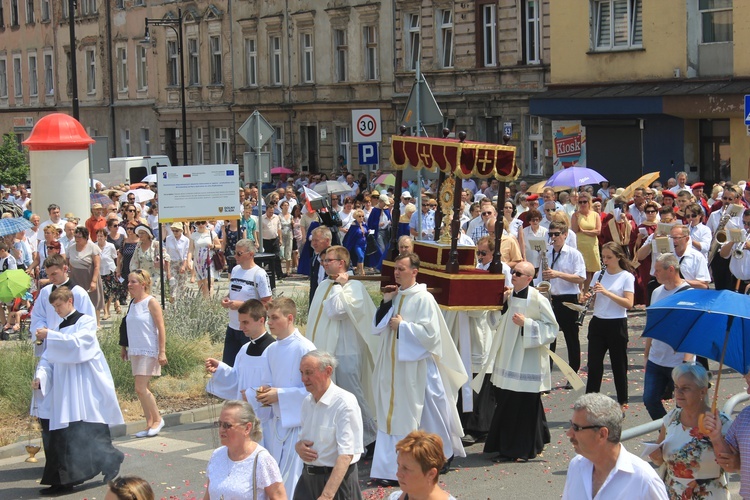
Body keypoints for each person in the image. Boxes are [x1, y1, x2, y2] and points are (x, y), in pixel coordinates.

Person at [371, 253, 467, 485]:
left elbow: (432, 335)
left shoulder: (424, 298)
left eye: (402, 269)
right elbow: (377, 327)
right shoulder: (396, 295)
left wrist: (404, 327)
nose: (397, 272)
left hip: (418, 366)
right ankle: (389, 469)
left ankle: (440, 456)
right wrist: (386, 302)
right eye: (396, 268)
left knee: (428, 413)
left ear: (415, 271)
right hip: (395, 366)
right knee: (393, 413)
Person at [33, 287, 124, 495]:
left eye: (59, 306)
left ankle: (107, 460)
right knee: (65, 432)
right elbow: (48, 356)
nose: (56, 310)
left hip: (83, 384)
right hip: (64, 386)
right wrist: (41, 376)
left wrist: (51, 335)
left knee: (85, 428)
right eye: (54, 307)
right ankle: (62, 480)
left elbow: (79, 346)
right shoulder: (57, 326)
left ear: (70, 300)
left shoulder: (85, 321)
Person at [473, 261, 557, 462]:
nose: (513, 275)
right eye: (513, 271)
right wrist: (499, 305)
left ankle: (521, 450)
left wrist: (526, 324)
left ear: (529, 278)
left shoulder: (537, 299)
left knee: (524, 405)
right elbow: (496, 323)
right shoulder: (509, 297)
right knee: (506, 402)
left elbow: (552, 329)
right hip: (508, 358)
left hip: (527, 360)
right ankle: (509, 445)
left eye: (518, 273)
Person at [305, 245, 378, 453]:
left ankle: (371, 438)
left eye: (329, 260)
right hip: (327, 350)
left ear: (342, 263)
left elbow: (336, 311)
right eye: (324, 260)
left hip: (347, 351)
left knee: (352, 395)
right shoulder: (324, 285)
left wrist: (340, 286)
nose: (324, 263)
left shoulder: (353, 286)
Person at [256, 297, 316, 495]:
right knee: (273, 479)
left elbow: (315, 390)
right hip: (276, 423)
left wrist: (279, 395)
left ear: (289, 318)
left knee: (290, 480)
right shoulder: (271, 349)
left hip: (297, 424)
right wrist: (265, 392)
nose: (269, 323)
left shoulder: (305, 348)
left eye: (274, 318)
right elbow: (269, 381)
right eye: (268, 318)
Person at [562, 393, 668, 500]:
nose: (569, 433)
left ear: (602, 434)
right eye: (571, 425)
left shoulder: (644, 481)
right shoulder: (576, 466)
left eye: (576, 427)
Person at [648, 364, 731, 499]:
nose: (678, 393)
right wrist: (656, 456)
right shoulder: (671, 418)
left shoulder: (721, 422)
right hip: (673, 493)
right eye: (676, 387)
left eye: (685, 388)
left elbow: (732, 465)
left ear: (702, 391)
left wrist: (716, 438)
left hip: (709, 495)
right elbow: (659, 458)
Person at [294, 351, 364, 499]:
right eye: (301, 373)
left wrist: (327, 495)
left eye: (309, 373)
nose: (303, 379)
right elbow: (303, 439)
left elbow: (346, 455)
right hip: (307, 480)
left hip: (336, 483)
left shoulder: (344, 403)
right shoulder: (307, 402)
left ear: (328, 371)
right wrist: (298, 447)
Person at [206, 299, 275, 446]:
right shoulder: (244, 350)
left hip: (267, 422)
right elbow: (237, 379)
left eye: (246, 322)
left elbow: (276, 386)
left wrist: (251, 394)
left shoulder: (273, 350)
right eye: (240, 322)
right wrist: (220, 369)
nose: (241, 327)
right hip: (244, 419)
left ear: (261, 320)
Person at [584, 242, 635, 411]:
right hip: (598, 323)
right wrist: (587, 299)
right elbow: (593, 304)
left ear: (618, 257)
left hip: (616, 323)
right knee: (594, 365)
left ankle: (622, 401)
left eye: (609, 257)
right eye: (603, 257)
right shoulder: (599, 274)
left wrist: (606, 292)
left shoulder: (626, 277)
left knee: (618, 364)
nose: (605, 260)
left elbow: (628, 303)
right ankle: (590, 402)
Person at [642, 254, 693, 420]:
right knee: (650, 400)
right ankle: (667, 431)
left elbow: (691, 328)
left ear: (671, 269)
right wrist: (647, 352)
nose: (654, 273)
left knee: (683, 405)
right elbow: (652, 323)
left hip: (679, 360)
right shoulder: (656, 292)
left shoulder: (689, 294)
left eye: (657, 270)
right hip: (657, 358)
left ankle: (679, 436)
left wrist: (687, 361)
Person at [205, 400, 286, 500]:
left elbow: (279, 497)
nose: (221, 429)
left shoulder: (262, 460)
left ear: (247, 428)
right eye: (219, 424)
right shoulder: (217, 455)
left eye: (227, 425)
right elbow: (208, 496)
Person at [537, 221, 586, 383]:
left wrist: (557, 274)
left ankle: (573, 376)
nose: (553, 237)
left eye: (557, 234)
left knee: (571, 338)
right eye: (550, 234)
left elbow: (581, 277)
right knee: (550, 338)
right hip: (551, 299)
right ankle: (547, 377)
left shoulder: (574, 254)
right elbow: (539, 278)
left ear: (565, 235)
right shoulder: (546, 253)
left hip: (568, 299)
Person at [122, 269, 168, 438]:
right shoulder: (132, 303)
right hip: (135, 349)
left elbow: (160, 327)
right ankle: (149, 424)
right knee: (142, 389)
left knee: (140, 387)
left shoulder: (151, 302)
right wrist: (124, 348)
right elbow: (127, 327)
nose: (129, 285)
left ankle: (157, 419)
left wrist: (162, 351)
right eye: (128, 281)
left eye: (133, 282)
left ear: (143, 284)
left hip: (149, 349)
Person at [220, 239, 272, 365]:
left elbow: (267, 302)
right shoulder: (236, 270)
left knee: (249, 365)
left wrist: (242, 306)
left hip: (250, 329)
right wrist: (226, 299)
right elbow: (234, 291)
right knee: (229, 365)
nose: (235, 256)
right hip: (233, 326)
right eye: (235, 252)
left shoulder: (259, 274)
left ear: (251, 254)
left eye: (239, 253)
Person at [30, 254, 96, 353]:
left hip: (72, 344)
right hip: (50, 343)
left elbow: (88, 320)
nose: (51, 278)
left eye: (54, 274)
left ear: (65, 269)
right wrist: (41, 329)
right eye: (48, 275)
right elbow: (38, 315)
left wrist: (65, 337)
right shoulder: (46, 292)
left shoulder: (78, 293)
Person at [704, 371, 750, 499]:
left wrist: (741, 463)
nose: (748, 391)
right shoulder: (745, 416)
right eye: (747, 384)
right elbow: (727, 463)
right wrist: (715, 436)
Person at [388, 431, 457, 500]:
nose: (398, 474)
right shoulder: (394, 497)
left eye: (406, 468)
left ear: (431, 474)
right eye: (398, 465)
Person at [67, 226, 105, 327]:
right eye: (76, 237)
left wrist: (93, 281)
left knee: (93, 298)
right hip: (75, 277)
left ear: (85, 237)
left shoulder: (93, 247)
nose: (77, 239)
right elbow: (68, 263)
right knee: (77, 298)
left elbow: (97, 266)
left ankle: (96, 323)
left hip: (89, 275)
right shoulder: (71, 248)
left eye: (79, 237)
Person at [572, 192, 601, 293]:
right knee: (581, 270)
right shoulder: (575, 215)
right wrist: (575, 218)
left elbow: (598, 231)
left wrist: (584, 231)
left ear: (589, 203)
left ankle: (586, 292)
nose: (583, 204)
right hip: (580, 245)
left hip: (592, 245)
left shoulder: (595, 215)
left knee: (589, 271)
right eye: (580, 202)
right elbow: (575, 230)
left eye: (585, 202)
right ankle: (579, 292)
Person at [188, 220, 221, 297]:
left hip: (209, 261)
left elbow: (219, 245)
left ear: (206, 223)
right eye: (198, 223)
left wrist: (213, 246)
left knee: (209, 284)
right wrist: (189, 260)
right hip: (198, 263)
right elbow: (190, 249)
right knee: (202, 286)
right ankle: (205, 303)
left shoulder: (211, 233)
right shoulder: (194, 235)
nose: (201, 225)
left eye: (202, 222)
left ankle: (210, 303)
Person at [96, 229, 119, 321]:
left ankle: (108, 310)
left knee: (110, 292)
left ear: (105, 237)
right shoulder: (94, 246)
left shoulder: (110, 246)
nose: (100, 238)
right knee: (103, 292)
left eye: (101, 236)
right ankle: (105, 311)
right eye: (98, 236)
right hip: (99, 272)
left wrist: (117, 270)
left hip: (110, 270)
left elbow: (114, 257)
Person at [164, 222, 190, 301]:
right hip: (172, 262)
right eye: (173, 230)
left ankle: (180, 303)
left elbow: (186, 253)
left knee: (182, 285)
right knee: (172, 283)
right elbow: (167, 252)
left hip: (181, 262)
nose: (175, 232)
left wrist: (184, 265)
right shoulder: (168, 238)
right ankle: (172, 301)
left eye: (177, 231)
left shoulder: (185, 240)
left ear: (181, 230)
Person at [308, 226, 332, 305]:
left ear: (327, 241)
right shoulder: (314, 260)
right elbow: (313, 286)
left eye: (316, 240)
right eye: (312, 240)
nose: (313, 243)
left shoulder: (338, 258)